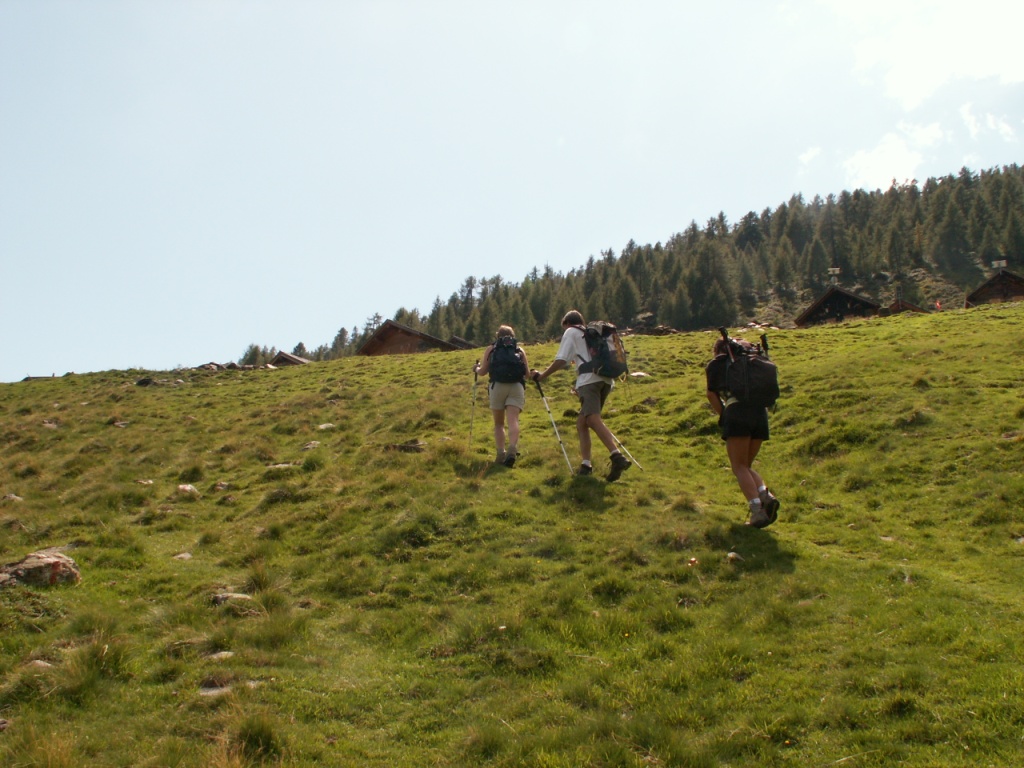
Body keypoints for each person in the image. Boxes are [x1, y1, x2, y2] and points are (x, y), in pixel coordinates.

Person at [530, 309, 631, 481]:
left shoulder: (571, 331)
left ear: (567, 323)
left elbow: (562, 360)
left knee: (592, 419)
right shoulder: (592, 334)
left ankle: (617, 456)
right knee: (582, 423)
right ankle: (586, 465)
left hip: (589, 381)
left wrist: (542, 376)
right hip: (606, 380)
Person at [705, 337, 780, 528]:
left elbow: (711, 394)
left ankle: (757, 511)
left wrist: (724, 415)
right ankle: (765, 495)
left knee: (739, 466)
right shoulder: (751, 362)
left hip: (737, 412)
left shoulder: (720, 364)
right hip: (760, 414)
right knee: (746, 465)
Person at [473, 325, 529, 467]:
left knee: (499, 423)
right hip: (516, 386)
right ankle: (512, 449)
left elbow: (483, 371)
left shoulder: (492, 349)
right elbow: (527, 374)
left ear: (497, 336)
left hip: (497, 386)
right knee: (513, 420)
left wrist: (476, 368)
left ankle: (500, 454)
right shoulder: (519, 350)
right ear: (512, 335)